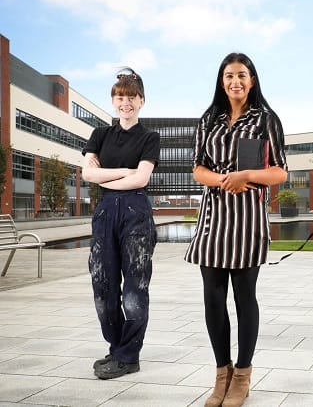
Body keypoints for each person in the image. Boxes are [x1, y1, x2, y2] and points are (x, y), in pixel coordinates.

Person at [184, 52, 287, 407]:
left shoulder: (266, 120)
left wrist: (247, 176)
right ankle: (221, 374)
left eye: (242, 75)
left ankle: (242, 375)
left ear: (252, 80)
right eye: (229, 75)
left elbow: (280, 172)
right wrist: (221, 179)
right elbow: (197, 168)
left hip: (247, 217)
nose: (235, 81)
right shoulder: (208, 119)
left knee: (244, 297)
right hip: (213, 216)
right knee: (212, 296)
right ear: (221, 80)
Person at [81, 68, 160, 379]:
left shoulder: (149, 138)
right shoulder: (100, 135)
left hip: (135, 214)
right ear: (113, 101)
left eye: (131, 97)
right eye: (119, 97)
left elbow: (141, 179)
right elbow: (87, 174)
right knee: (103, 286)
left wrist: (111, 175)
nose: (125, 102)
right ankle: (117, 348)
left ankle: (129, 355)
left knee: (134, 290)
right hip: (104, 215)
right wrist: (125, 173)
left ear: (141, 101)